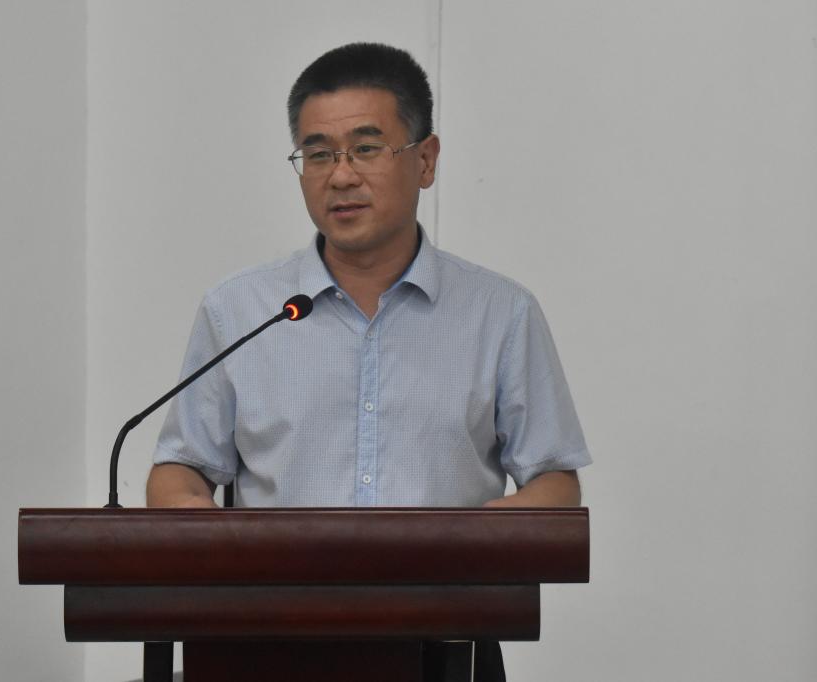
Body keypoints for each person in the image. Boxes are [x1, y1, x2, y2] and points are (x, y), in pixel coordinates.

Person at [145, 42, 592, 682]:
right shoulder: (239, 310)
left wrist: (460, 545)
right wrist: (216, 541)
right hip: (266, 644)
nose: (341, 176)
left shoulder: (501, 313)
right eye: (318, 154)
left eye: (365, 148)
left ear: (425, 160)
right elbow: (179, 470)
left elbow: (555, 483)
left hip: (447, 646)